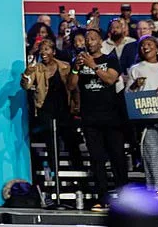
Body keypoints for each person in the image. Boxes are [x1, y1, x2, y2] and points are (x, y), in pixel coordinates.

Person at [67, 29, 128, 212]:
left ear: (101, 41)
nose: (90, 41)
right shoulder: (78, 60)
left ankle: (125, 199)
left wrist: (93, 65)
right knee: (97, 160)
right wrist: (76, 67)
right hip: (90, 119)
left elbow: (110, 79)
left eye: (93, 38)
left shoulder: (110, 59)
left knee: (117, 158)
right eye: (87, 39)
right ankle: (103, 198)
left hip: (111, 118)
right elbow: (70, 85)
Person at [20, 39, 82, 173]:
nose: (43, 52)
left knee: (70, 140)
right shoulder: (36, 69)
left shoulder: (65, 66)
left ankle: (78, 169)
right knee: (51, 142)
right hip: (45, 110)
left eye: (46, 49)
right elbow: (26, 85)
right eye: (41, 50)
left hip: (64, 109)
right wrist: (27, 73)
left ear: (53, 52)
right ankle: (55, 171)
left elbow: (74, 87)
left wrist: (76, 104)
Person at [126, 36, 158, 199]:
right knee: (151, 153)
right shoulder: (135, 69)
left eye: (149, 44)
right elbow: (128, 95)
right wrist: (134, 85)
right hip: (146, 119)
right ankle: (157, 191)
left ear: (157, 48)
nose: (145, 47)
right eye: (142, 45)